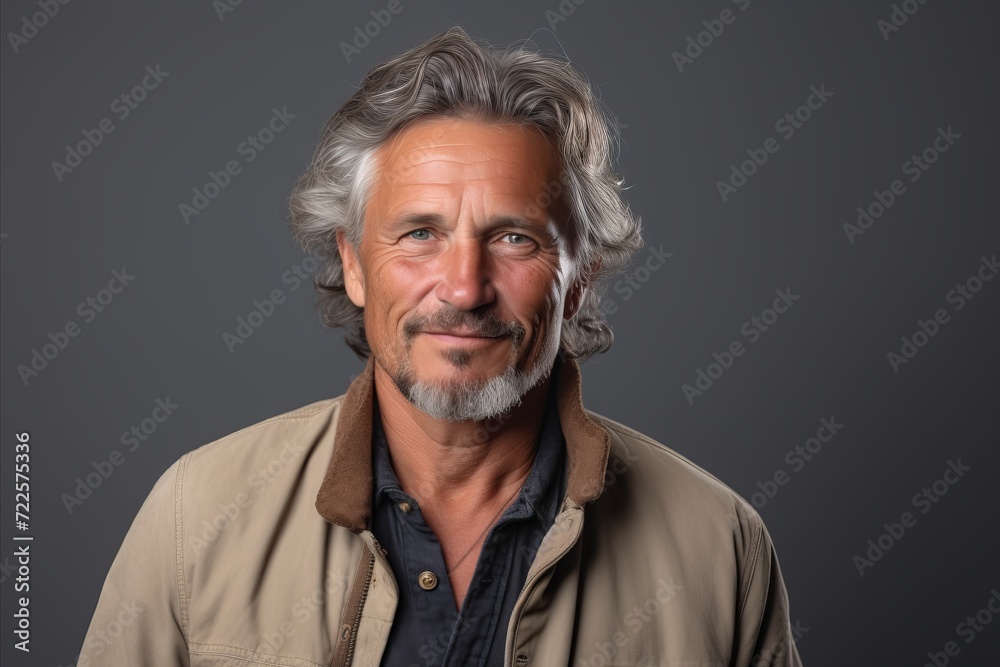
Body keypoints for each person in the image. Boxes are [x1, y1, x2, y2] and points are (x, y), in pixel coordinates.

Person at [78, 26, 803, 667]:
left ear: (578, 278)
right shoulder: (193, 516)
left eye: (514, 237)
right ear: (354, 264)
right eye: (419, 233)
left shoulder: (720, 545)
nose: (464, 287)